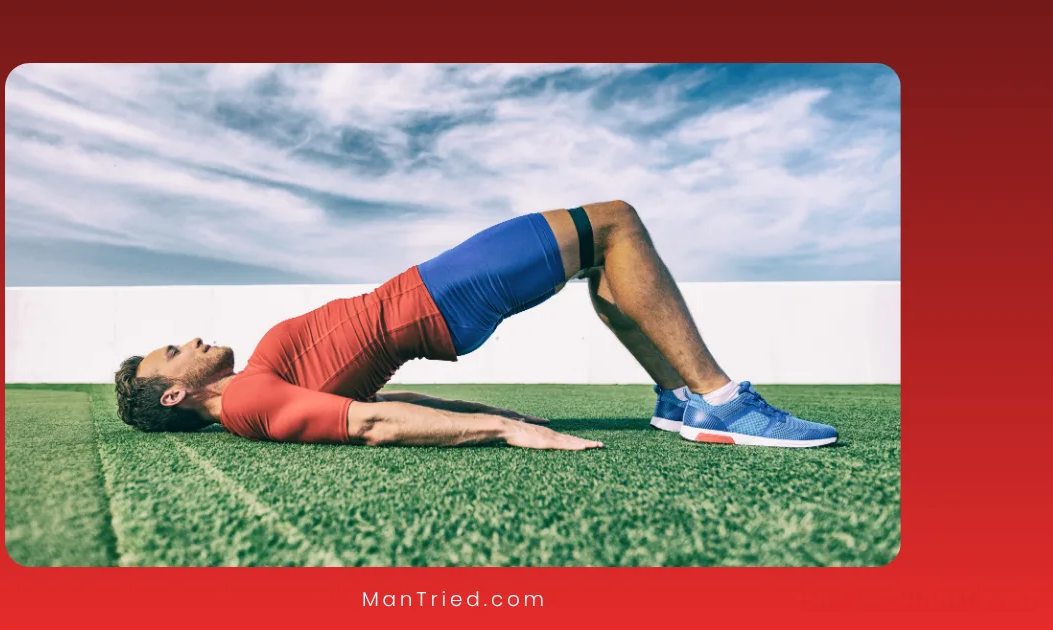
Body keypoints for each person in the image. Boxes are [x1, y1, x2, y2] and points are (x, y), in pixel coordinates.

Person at [114, 200, 838, 450]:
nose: (191, 341)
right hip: (437, 296)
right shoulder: (245, 403)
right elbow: (372, 426)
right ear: (173, 394)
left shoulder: (253, 390)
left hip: (430, 295)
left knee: (604, 254)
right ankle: (719, 399)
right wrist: (504, 431)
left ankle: (678, 401)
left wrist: (486, 409)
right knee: (614, 224)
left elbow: (379, 406)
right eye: (173, 352)